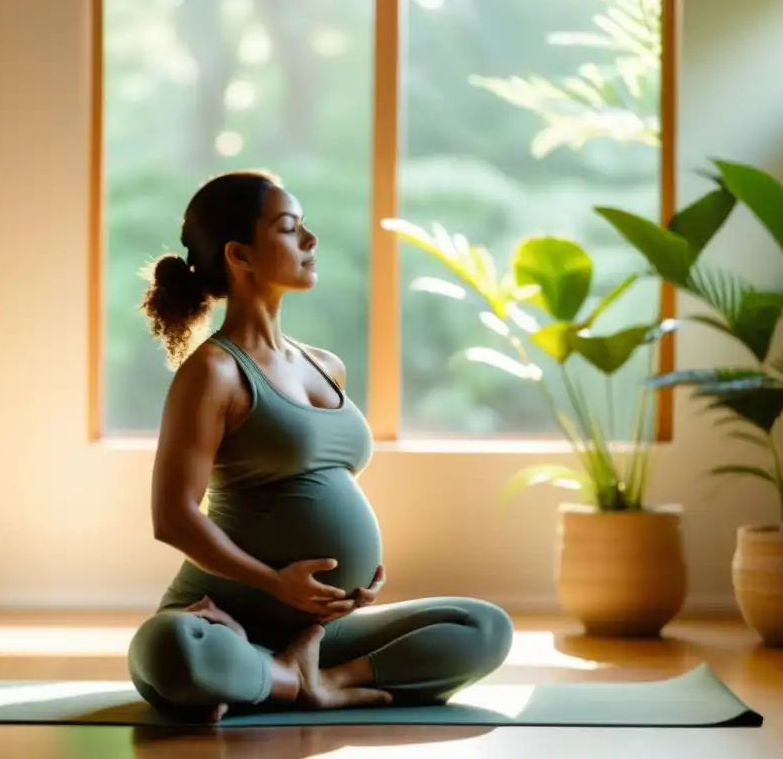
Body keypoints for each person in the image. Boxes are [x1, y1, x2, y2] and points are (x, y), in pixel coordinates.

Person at [127, 170, 514, 723]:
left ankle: (310, 678)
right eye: (289, 229)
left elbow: (320, 488)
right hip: (224, 617)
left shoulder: (325, 365)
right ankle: (276, 674)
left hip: (320, 630)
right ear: (241, 255)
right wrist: (273, 583)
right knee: (172, 651)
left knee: (486, 627)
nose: (311, 241)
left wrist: (356, 580)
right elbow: (173, 517)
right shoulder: (213, 373)